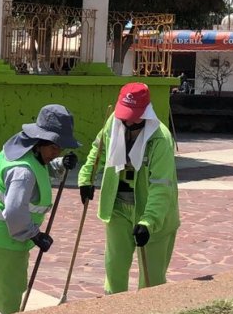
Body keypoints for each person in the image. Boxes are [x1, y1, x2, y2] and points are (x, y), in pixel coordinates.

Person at [0, 105, 81, 314]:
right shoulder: (23, 172)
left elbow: (39, 166)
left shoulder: (19, 147)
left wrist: (59, 164)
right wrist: (35, 235)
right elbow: (14, 211)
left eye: (61, 149)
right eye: (54, 148)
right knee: (9, 290)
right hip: (5, 238)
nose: (57, 152)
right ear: (40, 141)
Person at [77, 83, 180, 294]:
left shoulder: (160, 138)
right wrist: (86, 178)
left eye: (133, 116)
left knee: (152, 281)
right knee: (114, 269)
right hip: (118, 207)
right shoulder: (113, 122)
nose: (127, 121)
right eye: (124, 114)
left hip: (155, 216)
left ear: (145, 112)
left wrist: (148, 222)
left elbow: (161, 185)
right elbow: (98, 150)